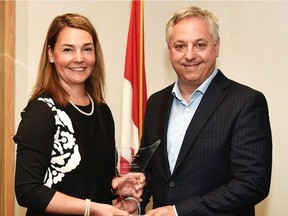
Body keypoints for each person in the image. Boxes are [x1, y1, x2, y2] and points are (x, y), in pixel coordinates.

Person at [139, 6, 272, 216]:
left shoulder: (246, 102)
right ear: (170, 51)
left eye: (200, 45)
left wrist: (178, 212)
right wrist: (134, 199)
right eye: (180, 46)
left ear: (216, 46)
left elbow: (252, 183)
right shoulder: (156, 102)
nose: (190, 55)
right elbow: (147, 168)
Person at [14, 13, 145, 216]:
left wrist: (115, 186)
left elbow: (84, 181)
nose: (79, 58)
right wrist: (91, 208)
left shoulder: (102, 111)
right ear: (51, 54)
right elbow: (28, 190)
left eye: (87, 49)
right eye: (68, 49)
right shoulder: (41, 112)